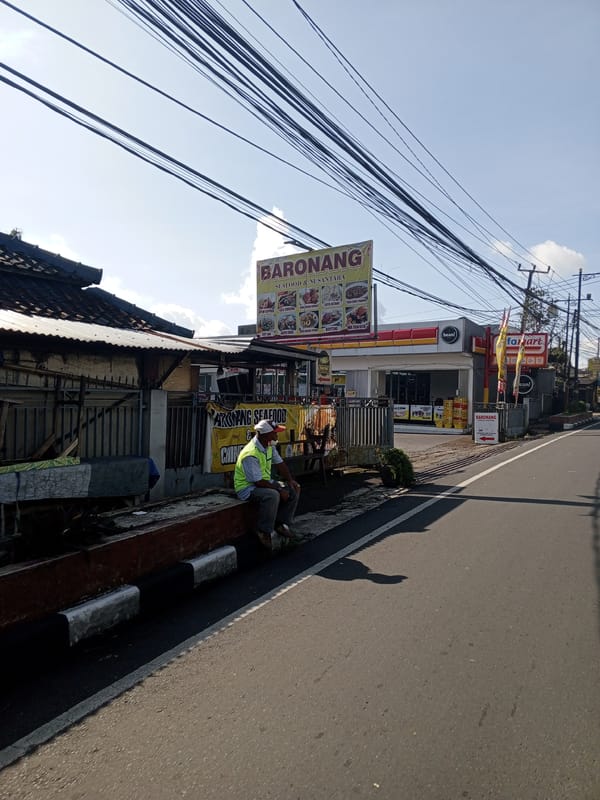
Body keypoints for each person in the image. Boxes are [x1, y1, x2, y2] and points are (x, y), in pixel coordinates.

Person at [234, 419, 301, 548]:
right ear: (265, 435)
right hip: (247, 488)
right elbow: (258, 482)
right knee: (273, 495)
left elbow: (280, 464)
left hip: (264, 482)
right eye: (274, 433)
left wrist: (290, 480)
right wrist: (279, 490)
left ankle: (280, 523)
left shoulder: (269, 446)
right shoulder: (250, 454)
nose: (276, 436)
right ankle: (263, 530)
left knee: (294, 488)